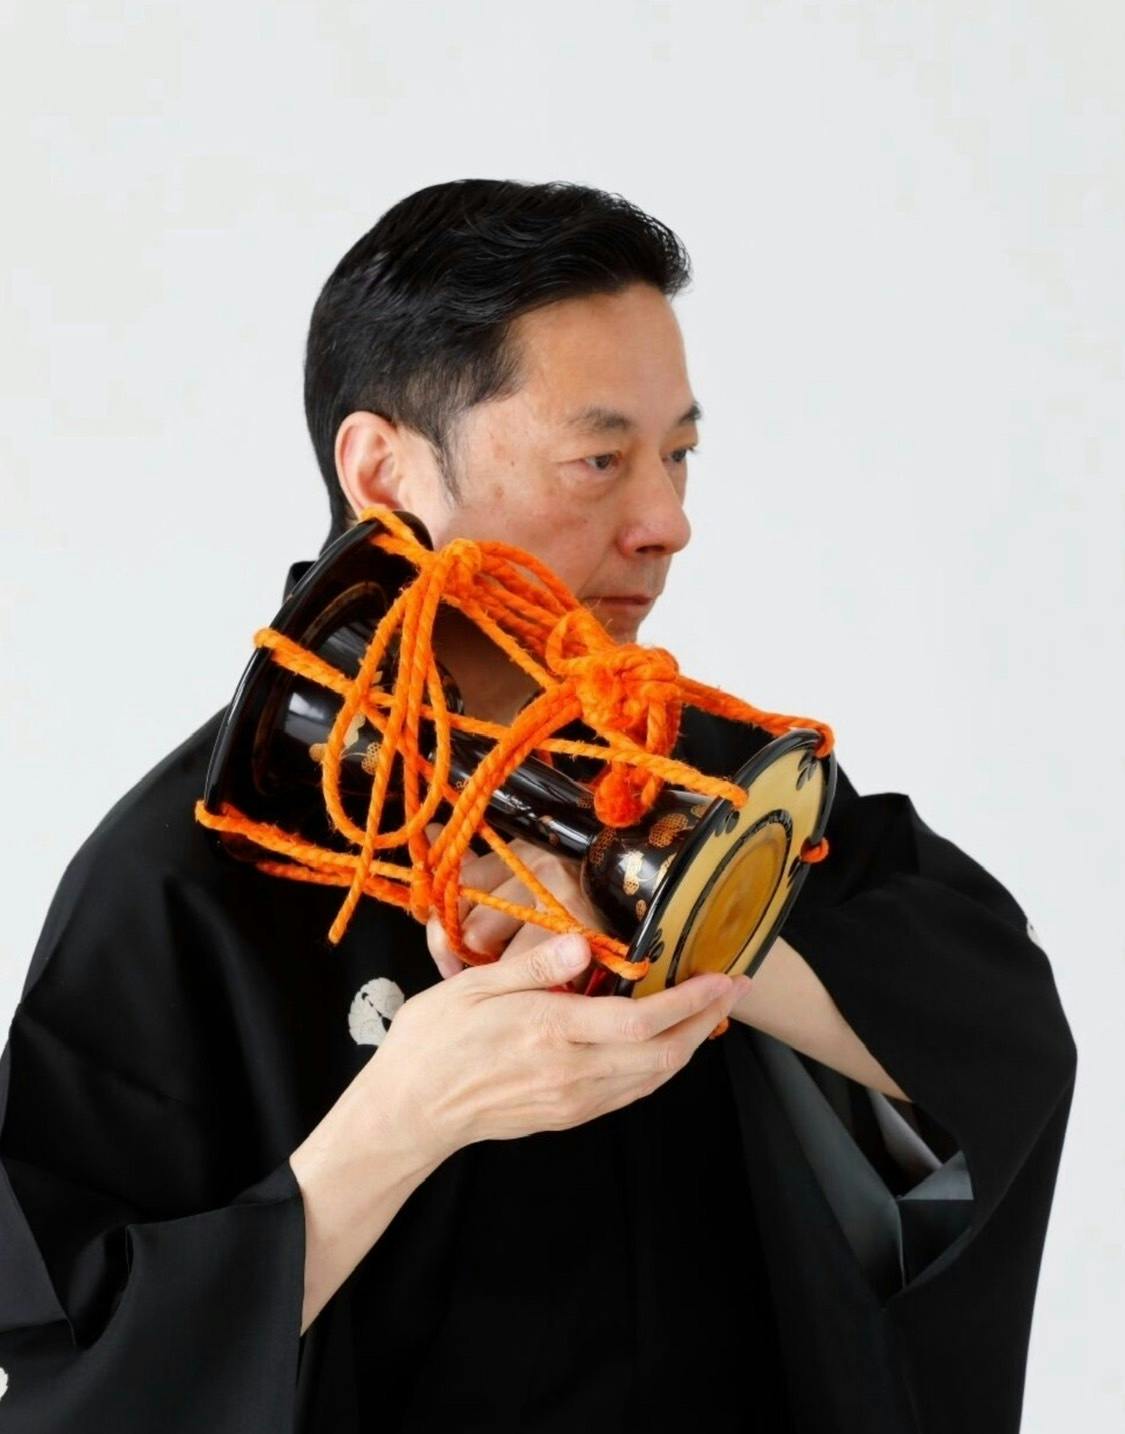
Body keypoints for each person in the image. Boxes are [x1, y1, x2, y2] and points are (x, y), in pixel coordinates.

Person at [0, 179, 1076, 1433]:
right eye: (599, 459)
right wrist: (405, 1118)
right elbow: (78, 1374)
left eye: (679, 454)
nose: (668, 521)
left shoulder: (697, 771)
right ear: (385, 473)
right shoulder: (183, 871)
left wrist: (692, 929)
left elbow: (995, 1031)